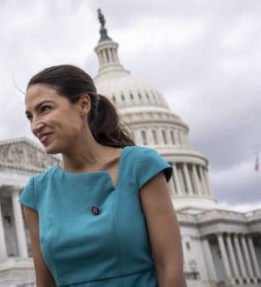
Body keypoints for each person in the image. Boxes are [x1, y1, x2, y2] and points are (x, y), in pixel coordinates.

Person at [19, 64, 186, 287]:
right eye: (30, 116)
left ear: (83, 104)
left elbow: (170, 271)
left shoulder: (139, 165)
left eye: (45, 109)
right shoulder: (35, 192)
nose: (35, 125)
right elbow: (45, 284)